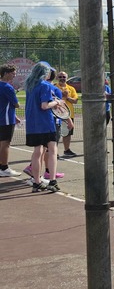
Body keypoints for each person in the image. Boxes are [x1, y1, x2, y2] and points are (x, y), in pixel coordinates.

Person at [23, 62, 61, 192]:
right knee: (52, 151)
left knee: (37, 152)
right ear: (45, 73)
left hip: (32, 124)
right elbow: (44, 106)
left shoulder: (29, 86)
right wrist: (56, 102)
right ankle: (52, 181)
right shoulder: (45, 85)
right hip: (45, 123)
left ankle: (37, 182)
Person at [0, 64, 20, 177]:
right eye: (13, 73)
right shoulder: (8, 87)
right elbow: (16, 104)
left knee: (1, 143)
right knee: (5, 144)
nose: (14, 75)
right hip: (6, 120)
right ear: (6, 74)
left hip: (4, 118)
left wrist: (15, 116)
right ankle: (4, 168)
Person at [54, 71, 79, 157]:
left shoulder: (71, 88)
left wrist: (67, 97)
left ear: (67, 78)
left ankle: (67, 150)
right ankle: (54, 151)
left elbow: (75, 100)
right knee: (56, 134)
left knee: (67, 134)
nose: (62, 78)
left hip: (69, 114)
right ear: (57, 78)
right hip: (57, 115)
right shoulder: (54, 87)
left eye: (64, 77)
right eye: (60, 77)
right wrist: (61, 95)